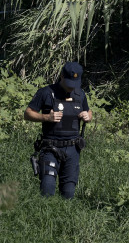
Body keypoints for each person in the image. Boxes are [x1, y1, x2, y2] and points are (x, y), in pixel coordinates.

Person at [24, 62, 93, 199]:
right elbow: (28, 113)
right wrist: (46, 117)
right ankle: (43, 216)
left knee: (68, 192)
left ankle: (64, 218)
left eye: (74, 84)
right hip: (51, 147)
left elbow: (88, 110)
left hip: (73, 148)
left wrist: (88, 116)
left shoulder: (80, 94)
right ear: (61, 76)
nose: (71, 87)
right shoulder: (46, 92)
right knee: (47, 187)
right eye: (68, 83)